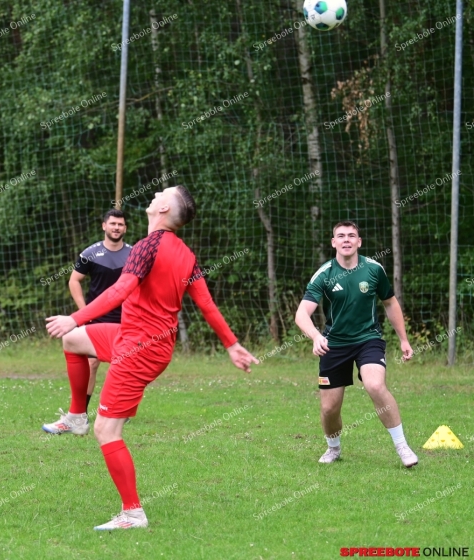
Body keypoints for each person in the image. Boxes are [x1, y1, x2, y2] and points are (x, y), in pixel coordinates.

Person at [46, 185, 257, 530]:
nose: (156, 192)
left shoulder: (147, 246)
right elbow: (205, 303)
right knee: (72, 341)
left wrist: (76, 316)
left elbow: (120, 290)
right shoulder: (185, 254)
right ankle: (76, 416)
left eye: (163, 193)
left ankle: (133, 514)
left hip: (139, 349)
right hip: (137, 339)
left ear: (164, 209)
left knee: (107, 430)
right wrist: (232, 344)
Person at [294, 221, 418, 468]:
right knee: (329, 408)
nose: (346, 240)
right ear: (334, 242)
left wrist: (404, 339)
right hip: (334, 344)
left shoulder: (373, 269)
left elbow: (390, 303)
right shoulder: (324, 274)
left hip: (367, 339)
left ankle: (402, 447)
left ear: (359, 242)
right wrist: (316, 336)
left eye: (352, 236)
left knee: (375, 385)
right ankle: (333, 448)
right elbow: (301, 313)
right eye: (341, 236)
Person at [42, 209, 132, 435]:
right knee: (91, 363)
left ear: (125, 228)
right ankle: (80, 414)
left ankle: (120, 410)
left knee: (125, 364)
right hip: (97, 317)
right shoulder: (90, 253)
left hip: (126, 319)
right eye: (113, 223)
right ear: (104, 226)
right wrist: (84, 312)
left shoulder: (133, 254)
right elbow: (74, 280)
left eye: (120, 224)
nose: (116, 228)